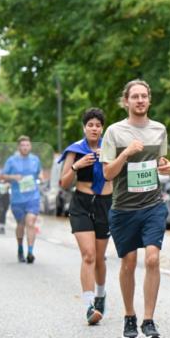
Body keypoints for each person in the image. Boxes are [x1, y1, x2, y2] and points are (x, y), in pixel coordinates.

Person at [101, 80, 170, 338]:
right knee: (129, 262)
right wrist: (126, 154)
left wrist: (166, 166)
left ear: (149, 100)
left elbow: (161, 163)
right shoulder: (115, 132)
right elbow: (107, 173)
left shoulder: (159, 130)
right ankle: (129, 316)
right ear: (126, 101)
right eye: (135, 97)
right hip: (123, 208)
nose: (140, 100)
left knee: (152, 259)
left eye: (144, 96)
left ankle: (148, 320)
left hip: (153, 205)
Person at [59, 108, 113, 325]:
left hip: (104, 204)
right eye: (90, 125)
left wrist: (108, 160)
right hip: (81, 204)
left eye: (98, 125)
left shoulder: (110, 149)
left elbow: (119, 174)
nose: (94, 128)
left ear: (102, 129)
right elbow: (63, 183)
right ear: (84, 128)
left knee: (100, 257)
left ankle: (101, 295)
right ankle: (89, 306)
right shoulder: (75, 150)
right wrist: (77, 166)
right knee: (88, 255)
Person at [0, 136, 42, 263]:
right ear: (19, 147)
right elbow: (2, 176)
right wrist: (13, 177)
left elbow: (39, 173)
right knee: (21, 224)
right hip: (17, 199)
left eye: (27, 145)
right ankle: (20, 248)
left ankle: (30, 252)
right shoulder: (11, 161)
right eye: (22, 145)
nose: (25, 147)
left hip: (33, 197)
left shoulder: (35, 160)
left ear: (30, 146)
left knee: (30, 222)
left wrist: (41, 177)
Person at [0, 165, 10, 235]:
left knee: (5, 212)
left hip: (6, 198)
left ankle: (3, 225)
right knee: (1, 211)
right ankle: (1, 227)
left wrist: (8, 185)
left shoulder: (8, 181)